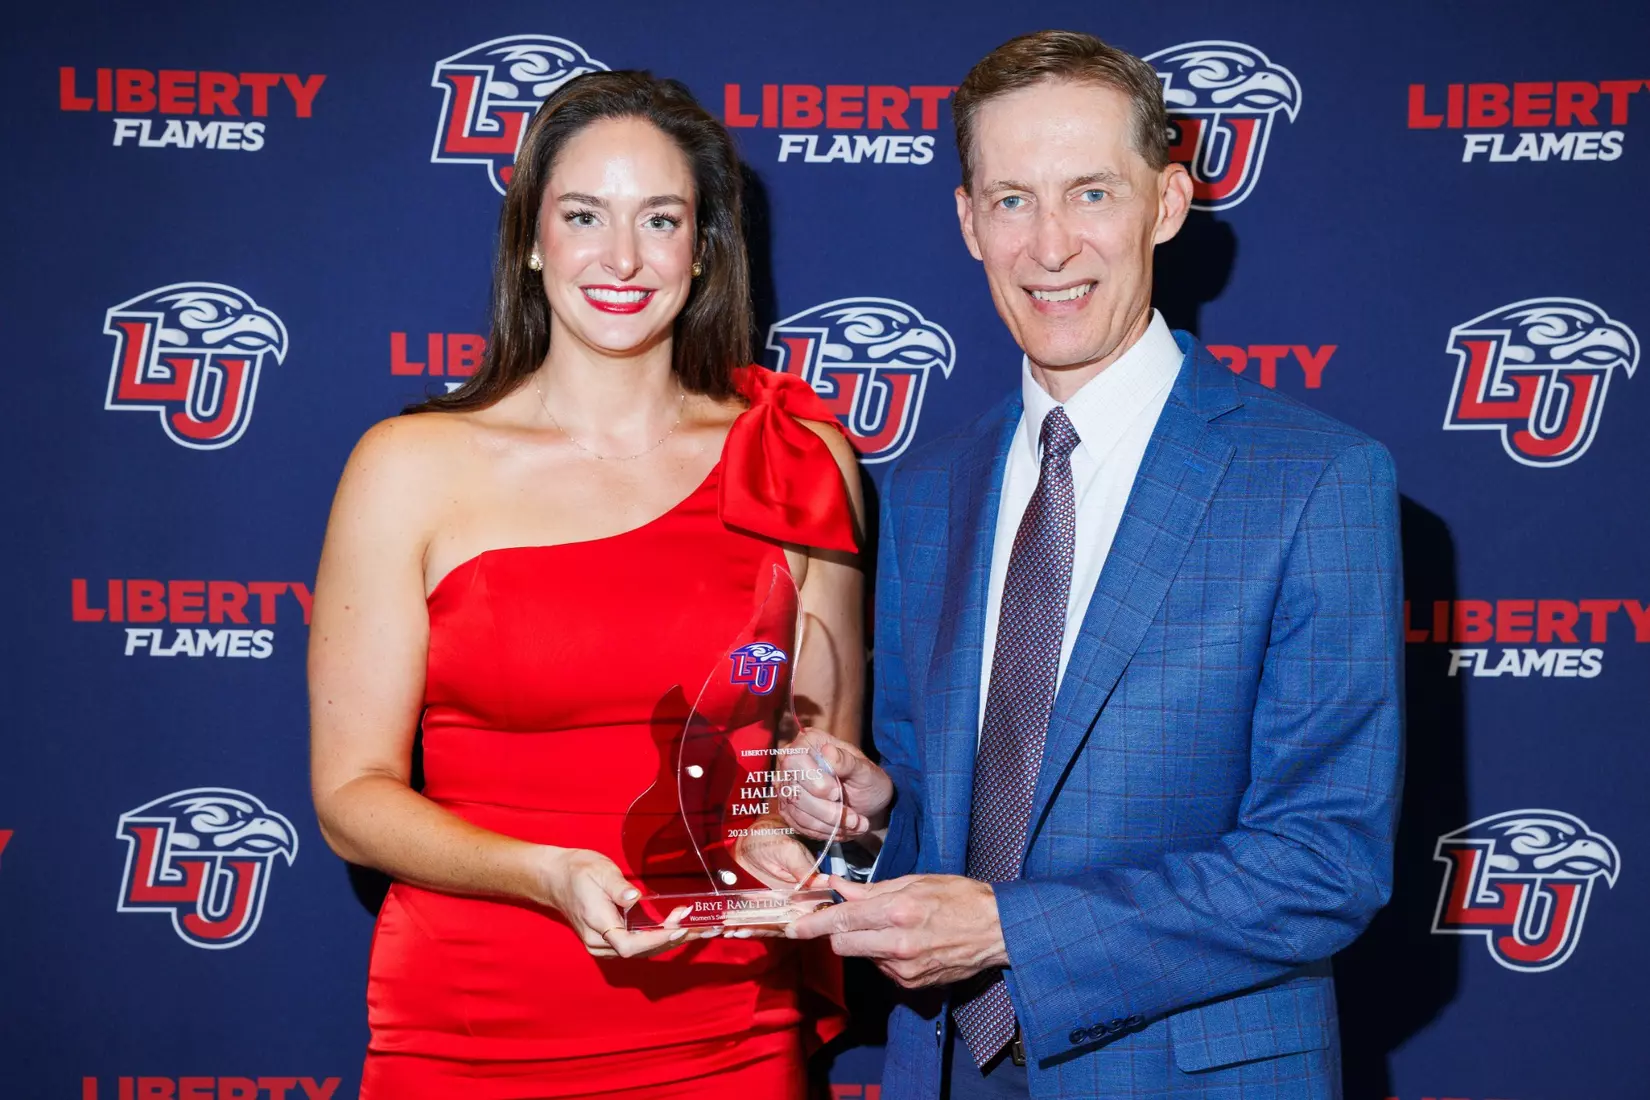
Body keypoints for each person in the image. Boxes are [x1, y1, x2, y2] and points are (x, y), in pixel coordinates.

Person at [785, 30, 1403, 1099]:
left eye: (1092, 193)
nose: (1051, 246)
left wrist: (1008, 930)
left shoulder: (1314, 480)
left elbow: (1324, 861)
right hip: (950, 1067)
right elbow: (950, 826)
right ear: (969, 222)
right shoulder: (926, 494)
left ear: (1167, 202)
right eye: (1012, 200)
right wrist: (877, 816)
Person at [308, 71, 865, 1099]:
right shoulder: (407, 466)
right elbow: (351, 796)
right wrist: (544, 872)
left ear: (704, 249)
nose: (622, 258)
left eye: (660, 219)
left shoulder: (796, 457)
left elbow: (807, 763)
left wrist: (794, 827)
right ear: (531, 238)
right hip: (472, 1015)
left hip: (725, 1021)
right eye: (583, 216)